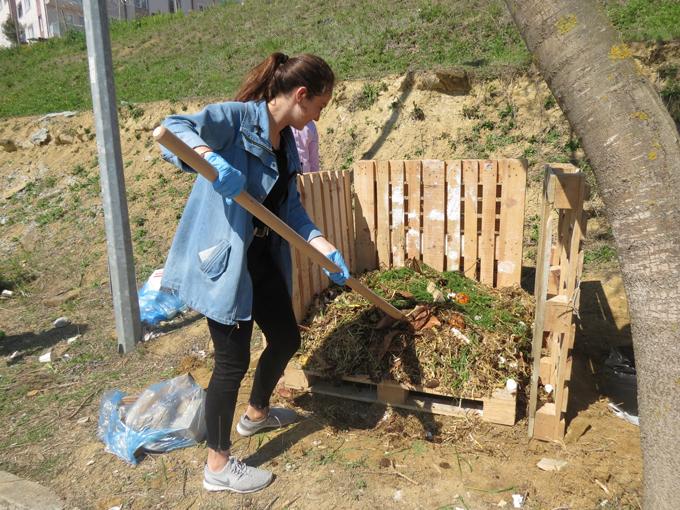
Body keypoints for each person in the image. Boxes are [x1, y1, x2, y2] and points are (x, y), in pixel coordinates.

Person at [159, 52, 350, 494]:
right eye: (320, 105)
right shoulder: (237, 119)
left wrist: (325, 248)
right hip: (226, 264)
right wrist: (212, 159)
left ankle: (257, 414)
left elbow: (291, 211)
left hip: (261, 259)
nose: (320, 114)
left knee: (285, 338)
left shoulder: (286, 143)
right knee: (231, 361)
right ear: (301, 95)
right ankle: (218, 466)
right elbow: (174, 128)